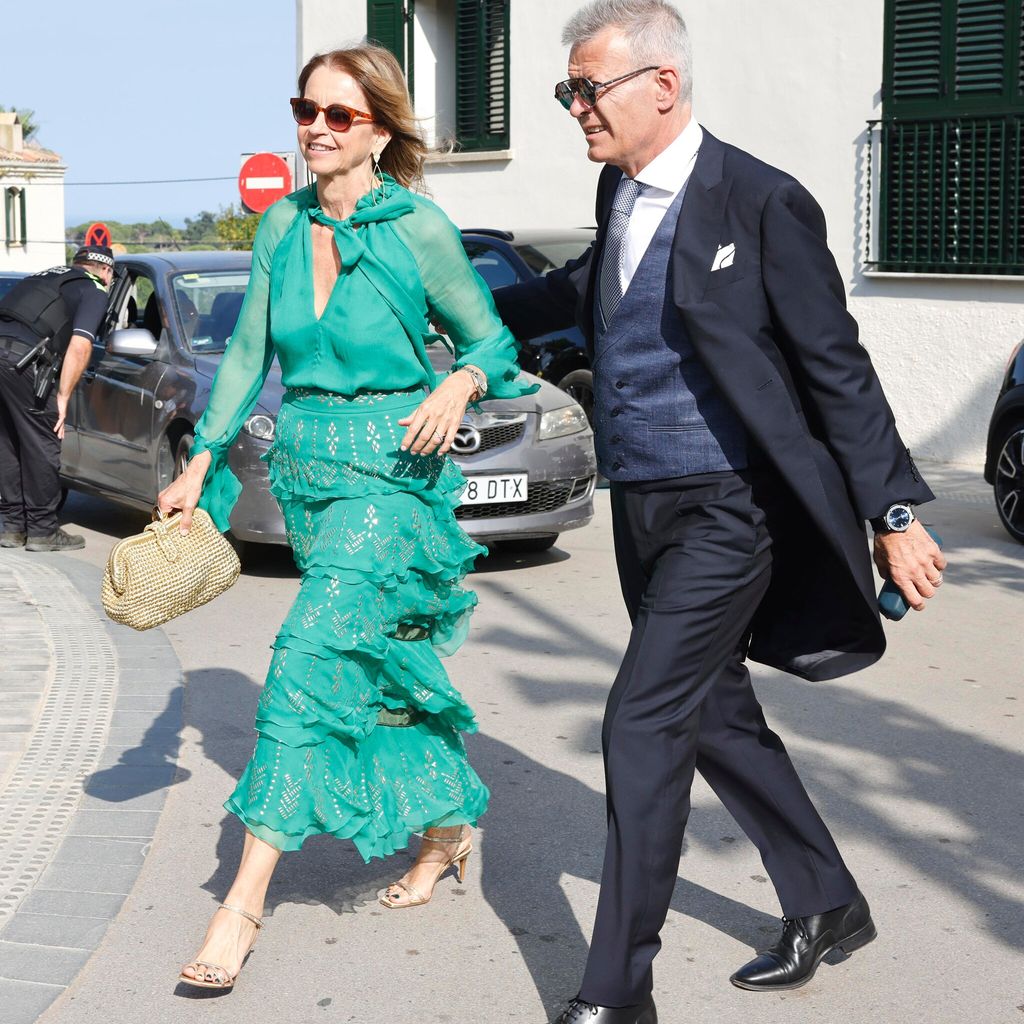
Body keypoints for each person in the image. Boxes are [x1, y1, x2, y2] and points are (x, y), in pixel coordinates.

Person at [492, 3, 947, 1021]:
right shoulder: (616, 191)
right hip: (641, 505)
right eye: (568, 91)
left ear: (662, 83)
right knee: (713, 713)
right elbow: (582, 290)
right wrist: (457, 307)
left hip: (732, 507)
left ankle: (619, 988)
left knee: (640, 719)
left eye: (587, 89)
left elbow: (836, 365)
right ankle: (827, 900)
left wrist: (893, 507)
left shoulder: (759, 201)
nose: (574, 109)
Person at [158, 44, 534, 991]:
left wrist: (460, 378)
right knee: (380, 674)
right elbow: (246, 353)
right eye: (305, 110)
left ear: (379, 130)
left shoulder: (420, 227)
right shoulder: (280, 225)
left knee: (305, 662)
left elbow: (493, 336)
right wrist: (199, 455)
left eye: (338, 115)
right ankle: (447, 833)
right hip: (308, 473)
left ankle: (239, 905)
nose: (315, 129)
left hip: (393, 472)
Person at [0, 245, 114, 551]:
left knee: (7, 440)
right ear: (105, 271)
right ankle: (42, 530)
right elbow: (80, 346)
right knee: (43, 440)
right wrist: (63, 397)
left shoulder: (44, 278)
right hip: (23, 361)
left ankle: (11, 527)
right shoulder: (94, 288)